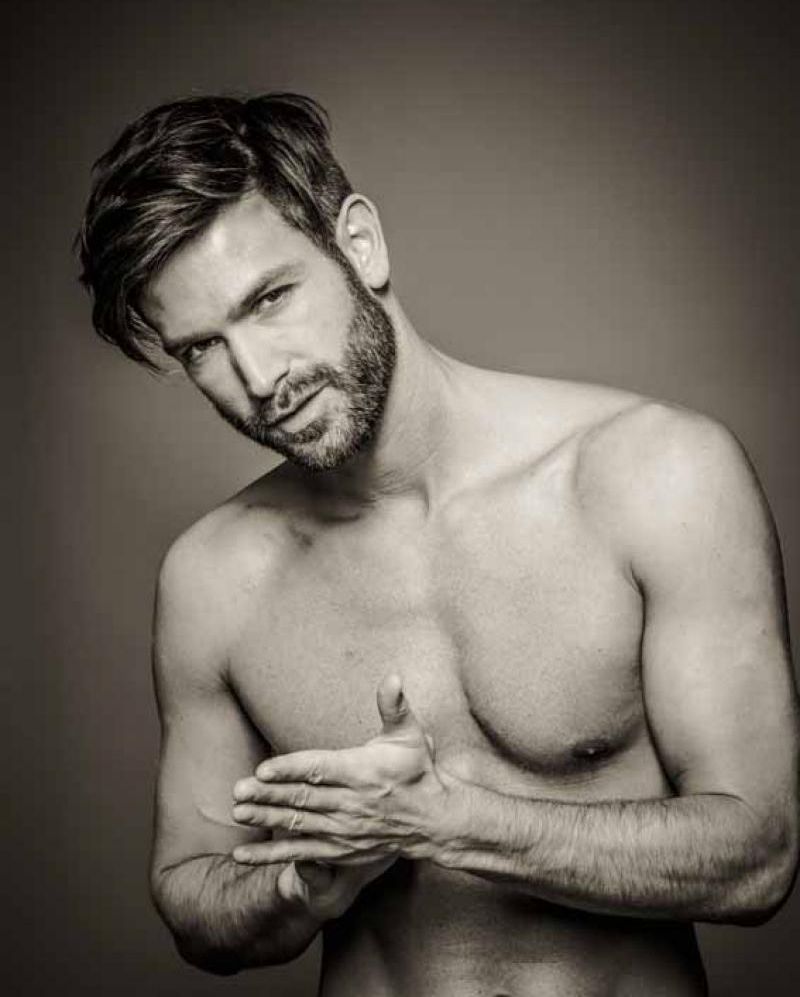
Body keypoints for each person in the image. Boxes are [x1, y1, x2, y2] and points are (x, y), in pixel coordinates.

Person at [77, 93, 799, 996]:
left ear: (360, 244)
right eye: (201, 349)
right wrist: (303, 883)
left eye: (269, 300)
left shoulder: (656, 477)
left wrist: (444, 823)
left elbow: (760, 857)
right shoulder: (214, 578)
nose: (258, 378)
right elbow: (194, 904)